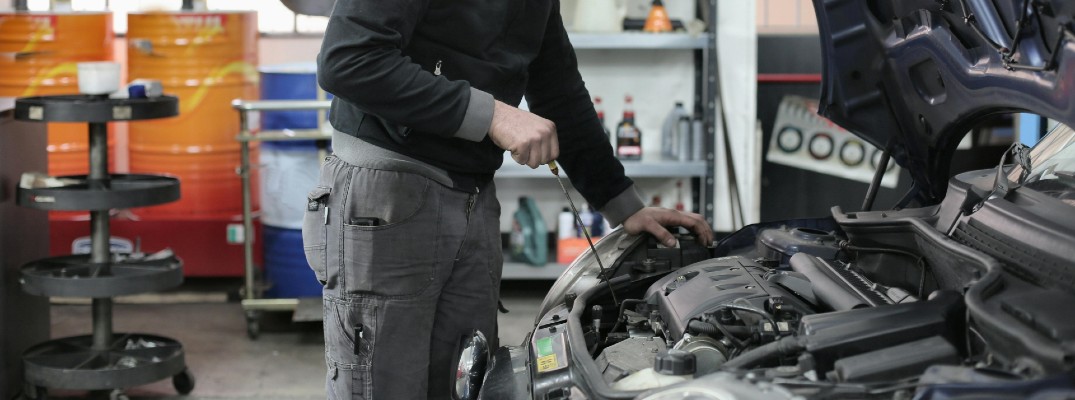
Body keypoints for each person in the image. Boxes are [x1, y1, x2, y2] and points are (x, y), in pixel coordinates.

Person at [308, 0, 714, 398]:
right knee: (385, 385)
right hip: (388, 198)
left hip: (473, 195)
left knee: (467, 383)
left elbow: (558, 91)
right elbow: (349, 60)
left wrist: (624, 205)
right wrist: (493, 115)